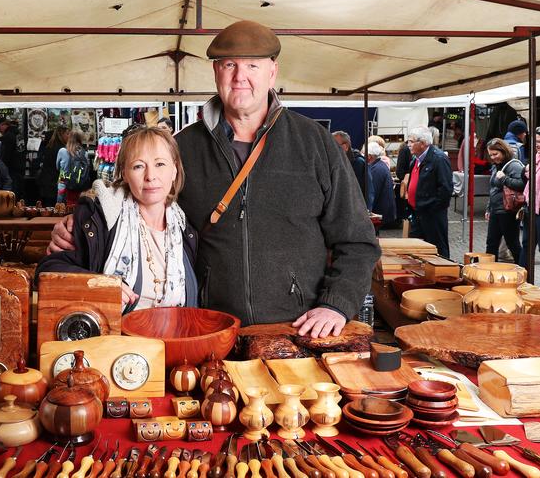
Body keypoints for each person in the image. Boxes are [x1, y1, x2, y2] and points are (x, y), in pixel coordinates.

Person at [49, 20, 380, 338]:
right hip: (210, 330)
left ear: (273, 72)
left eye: (252, 66)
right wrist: (80, 223)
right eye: (229, 65)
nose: (240, 77)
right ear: (216, 72)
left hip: (297, 330)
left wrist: (336, 305)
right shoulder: (185, 147)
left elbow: (358, 240)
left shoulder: (314, 143)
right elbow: (137, 195)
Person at [37, 127, 197, 311]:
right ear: (125, 174)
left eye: (160, 164)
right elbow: (46, 272)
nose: (150, 176)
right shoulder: (100, 219)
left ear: (175, 170)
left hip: (176, 337)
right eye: (138, 166)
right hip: (115, 338)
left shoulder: (186, 229)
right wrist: (99, 285)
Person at [406, 126, 453, 258]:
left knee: (437, 249)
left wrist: (432, 208)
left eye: (411, 141)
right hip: (417, 213)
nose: (408, 145)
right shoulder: (415, 160)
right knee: (416, 250)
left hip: (432, 215)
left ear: (423, 143)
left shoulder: (439, 159)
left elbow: (446, 189)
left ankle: (442, 276)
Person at [484, 138, 525, 262]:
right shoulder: (497, 165)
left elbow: (522, 185)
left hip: (508, 211)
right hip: (496, 210)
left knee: (512, 243)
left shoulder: (514, 165)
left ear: (503, 151)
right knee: (491, 243)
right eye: (490, 155)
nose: (493, 157)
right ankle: (489, 272)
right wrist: (488, 208)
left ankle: (524, 270)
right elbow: (493, 189)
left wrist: (504, 179)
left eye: (495, 154)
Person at [332, 130, 374, 209]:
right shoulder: (339, 161)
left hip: (356, 210)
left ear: (345, 146)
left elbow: (367, 190)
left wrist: (366, 211)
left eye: (333, 145)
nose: (330, 148)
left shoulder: (358, 163)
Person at [519, 128, 540, 268]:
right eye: (536, 141)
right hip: (530, 208)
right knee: (526, 244)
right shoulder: (536, 157)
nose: (537, 144)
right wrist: (525, 170)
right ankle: (522, 281)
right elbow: (527, 179)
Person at [37, 126, 69, 207]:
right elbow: (62, 169)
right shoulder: (61, 149)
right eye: (67, 134)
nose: (69, 136)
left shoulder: (49, 146)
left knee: (48, 208)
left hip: (46, 182)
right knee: (57, 209)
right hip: (55, 183)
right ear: (62, 135)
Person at [56, 130, 88, 207]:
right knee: (76, 210)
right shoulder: (85, 154)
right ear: (80, 139)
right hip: (79, 187)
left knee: (61, 210)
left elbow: (57, 167)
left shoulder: (62, 151)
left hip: (64, 185)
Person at [368, 142, 396, 226]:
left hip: (381, 213)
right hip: (383, 211)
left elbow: (373, 192)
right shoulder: (379, 165)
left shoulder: (376, 169)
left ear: (369, 156)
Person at [0, 118, 24, 199]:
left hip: (10, 168)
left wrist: (1, 167)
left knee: (11, 193)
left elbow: (5, 155)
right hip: (20, 167)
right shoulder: (19, 135)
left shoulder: (8, 136)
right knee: (18, 192)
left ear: (3, 125)